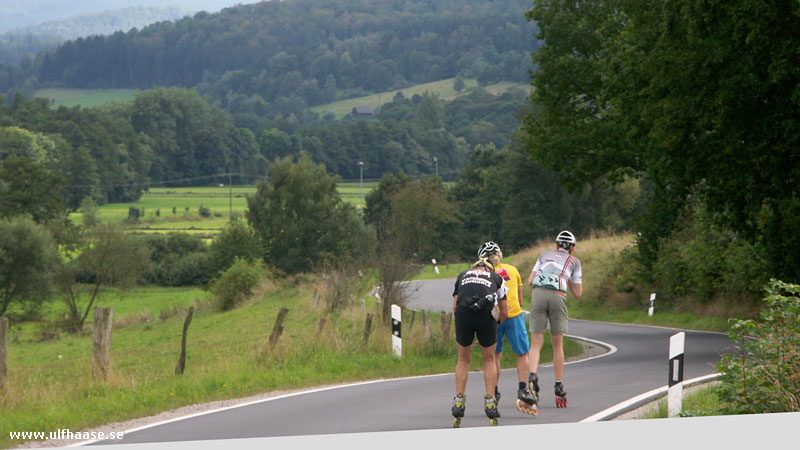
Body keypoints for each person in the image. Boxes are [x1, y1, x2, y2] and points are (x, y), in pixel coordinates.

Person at [478, 241, 537, 416]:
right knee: (522, 353)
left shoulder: (484, 273)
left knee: (494, 355)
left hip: (494, 316)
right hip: (514, 315)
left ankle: (494, 391)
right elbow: (519, 301)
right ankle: (522, 389)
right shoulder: (513, 270)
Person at [526, 230, 582, 408]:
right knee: (558, 344)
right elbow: (578, 294)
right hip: (558, 294)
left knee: (536, 343)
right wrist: (568, 278)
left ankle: (532, 376)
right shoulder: (574, 261)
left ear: (557, 245)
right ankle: (558, 385)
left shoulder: (544, 255)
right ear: (572, 248)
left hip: (538, 293)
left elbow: (529, 281)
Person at [451, 258, 509, 427]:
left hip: (463, 312)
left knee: (463, 359)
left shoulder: (462, 275)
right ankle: (490, 401)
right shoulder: (497, 278)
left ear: (474, 267)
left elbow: (455, 306)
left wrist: (465, 325)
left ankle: (459, 401)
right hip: (486, 313)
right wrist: (494, 326)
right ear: (489, 269)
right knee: (489, 359)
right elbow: (505, 311)